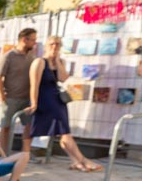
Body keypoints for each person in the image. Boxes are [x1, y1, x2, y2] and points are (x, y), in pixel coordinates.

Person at [30, 35, 102, 173]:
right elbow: (34, 84)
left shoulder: (59, 61)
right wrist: (34, 103)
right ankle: (83, 160)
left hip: (57, 100)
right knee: (64, 132)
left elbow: (63, 78)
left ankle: (75, 161)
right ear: (46, 46)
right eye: (52, 44)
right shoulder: (39, 62)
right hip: (44, 101)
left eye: (57, 44)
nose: (54, 46)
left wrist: (57, 60)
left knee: (63, 132)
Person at [0, 28, 37, 155]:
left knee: (29, 126)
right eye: (33, 40)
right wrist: (2, 96)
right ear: (24, 39)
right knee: (6, 127)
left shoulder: (31, 56)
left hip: (27, 99)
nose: (35, 43)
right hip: (11, 98)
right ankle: (3, 154)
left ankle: (25, 153)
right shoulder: (8, 56)